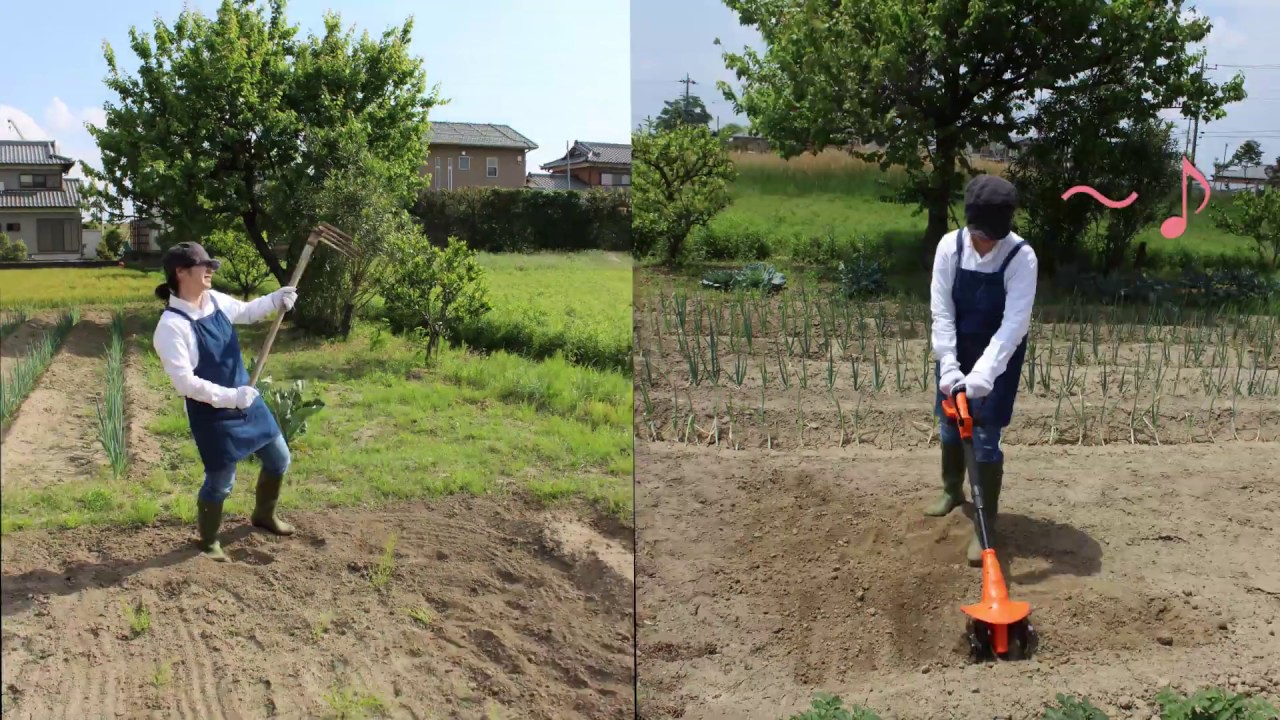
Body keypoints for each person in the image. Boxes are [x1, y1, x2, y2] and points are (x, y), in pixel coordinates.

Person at [152, 242, 300, 561]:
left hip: (246, 398)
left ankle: (264, 515)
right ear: (180, 272)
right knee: (221, 482)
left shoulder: (215, 300)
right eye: (204, 265)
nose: (211, 270)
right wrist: (232, 397)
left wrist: (276, 299)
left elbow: (246, 312)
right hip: (212, 412)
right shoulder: (171, 327)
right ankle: (208, 541)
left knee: (279, 459)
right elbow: (185, 383)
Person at [925, 174, 1038, 567]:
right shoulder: (950, 247)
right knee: (949, 424)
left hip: (999, 359)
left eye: (993, 235)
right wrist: (950, 363)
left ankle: (984, 521)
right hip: (955, 346)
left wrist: (984, 375)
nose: (985, 242)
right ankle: (952, 488)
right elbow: (942, 309)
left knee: (985, 434)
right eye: (980, 234)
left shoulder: (1021, 257)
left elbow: (1014, 325)